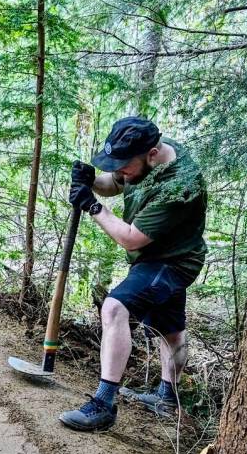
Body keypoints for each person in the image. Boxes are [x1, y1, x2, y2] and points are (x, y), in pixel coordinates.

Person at [59, 117, 207, 432]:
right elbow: (116, 182)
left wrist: (92, 207)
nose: (121, 169)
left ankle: (103, 405)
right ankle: (167, 398)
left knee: (115, 308)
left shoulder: (179, 186)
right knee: (171, 331)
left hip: (172, 262)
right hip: (155, 256)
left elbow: (130, 237)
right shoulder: (144, 161)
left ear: (152, 154)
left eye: (125, 164)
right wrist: (92, 181)